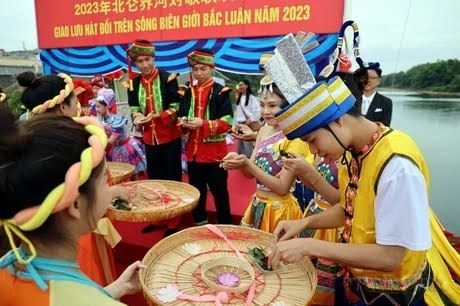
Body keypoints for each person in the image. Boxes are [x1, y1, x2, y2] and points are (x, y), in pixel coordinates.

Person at [268, 71, 460, 305]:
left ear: (338, 121)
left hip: (396, 295)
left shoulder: (397, 166)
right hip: (361, 284)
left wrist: (309, 245)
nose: (314, 152)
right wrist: (304, 223)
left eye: (312, 140)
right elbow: (350, 209)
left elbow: (391, 257)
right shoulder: (354, 151)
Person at [0, 105, 143, 305]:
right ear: (74, 203)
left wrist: (112, 290)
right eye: (104, 180)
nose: (109, 187)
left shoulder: (8, 264)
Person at [15, 71, 122, 286]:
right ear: (63, 106)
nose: (79, 106)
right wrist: (113, 192)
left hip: (45, 242)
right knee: (84, 281)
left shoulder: (29, 142)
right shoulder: (76, 145)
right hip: (73, 234)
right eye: (75, 100)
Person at [222, 78, 313, 233]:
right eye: (262, 105)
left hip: (280, 211)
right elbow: (249, 174)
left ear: (288, 105)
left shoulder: (295, 138)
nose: (265, 112)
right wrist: (237, 161)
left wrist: (247, 164)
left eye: (272, 105)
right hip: (257, 204)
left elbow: (283, 187)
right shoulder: (263, 131)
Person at [126, 39, 182, 235]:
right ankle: (159, 219)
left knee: (172, 180)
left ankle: (174, 222)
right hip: (149, 139)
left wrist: (159, 116)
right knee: (155, 180)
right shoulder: (132, 83)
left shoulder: (168, 78)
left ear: (153, 57)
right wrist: (137, 116)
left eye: (147, 59)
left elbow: (176, 106)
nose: (144, 65)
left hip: (170, 137)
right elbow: (133, 106)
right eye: (140, 61)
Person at [178, 48, 233, 225]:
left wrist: (203, 124)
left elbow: (227, 122)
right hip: (193, 155)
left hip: (214, 155)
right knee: (197, 193)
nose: (199, 73)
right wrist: (184, 123)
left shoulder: (221, 92)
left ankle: (225, 225)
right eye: (195, 69)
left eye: (203, 69)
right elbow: (180, 115)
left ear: (212, 68)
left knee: (220, 193)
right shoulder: (188, 91)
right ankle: (200, 223)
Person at [95, 88, 147, 176]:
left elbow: (110, 141)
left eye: (98, 106)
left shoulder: (117, 120)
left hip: (125, 147)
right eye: (96, 106)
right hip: (114, 148)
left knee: (132, 172)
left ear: (107, 106)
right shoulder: (101, 119)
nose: (96, 109)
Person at [232, 79, 260, 158]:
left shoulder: (251, 98)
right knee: (240, 143)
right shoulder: (239, 97)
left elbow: (258, 111)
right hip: (239, 123)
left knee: (247, 144)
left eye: (241, 85)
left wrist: (250, 120)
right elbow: (237, 113)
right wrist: (235, 124)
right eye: (239, 85)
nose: (240, 87)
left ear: (246, 86)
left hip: (248, 123)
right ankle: (241, 159)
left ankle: (249, 161)